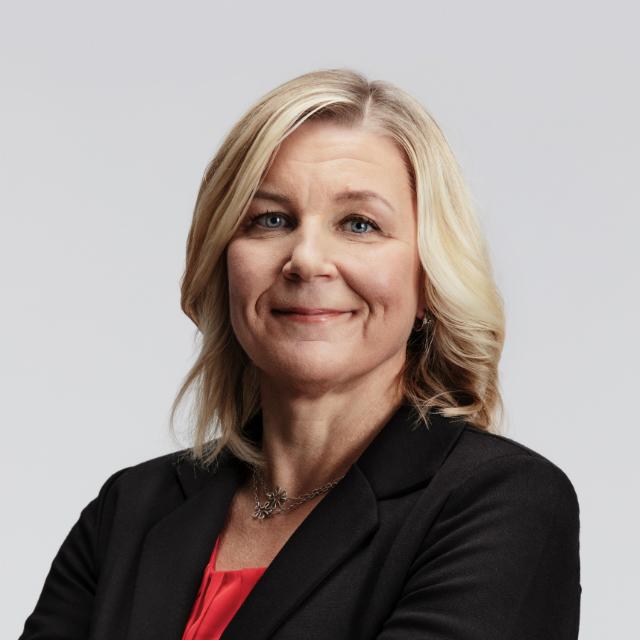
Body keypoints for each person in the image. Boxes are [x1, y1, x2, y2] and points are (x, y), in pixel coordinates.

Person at [19, 68, 581, 639]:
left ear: (430, 276)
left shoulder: (502, 504)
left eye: (359, 224)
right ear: (223, 261)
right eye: (270, 220)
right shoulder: (129, 511)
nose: (307, 260)